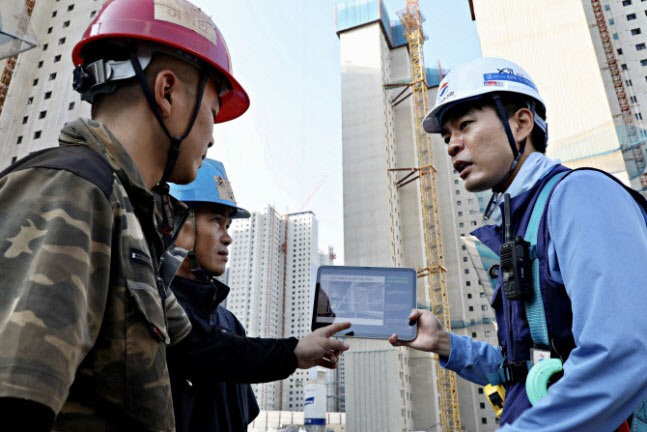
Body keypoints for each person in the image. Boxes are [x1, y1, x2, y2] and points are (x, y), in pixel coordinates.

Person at [0, 0, 250, 430]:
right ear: (167, 92)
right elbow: (16, 401)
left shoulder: (128, 216)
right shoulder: (73, 188)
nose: (213, 135)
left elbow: (196, 345)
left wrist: (297, 350)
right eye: (212, 111)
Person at [389, 57, 647, 431]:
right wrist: (445, 343)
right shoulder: (520, 224)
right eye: (446, 136)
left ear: (521, 123)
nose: (451, 146)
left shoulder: (580, 196)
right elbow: (528, 368)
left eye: (464, 125)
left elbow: (623, 353)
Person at [166, 159, 350, 432]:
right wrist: (294, 352)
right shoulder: (152, 305)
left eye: (228, 225)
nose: (227, 237)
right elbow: (210, 349)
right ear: (175, 223)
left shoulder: (227, 322)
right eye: (216, 221)